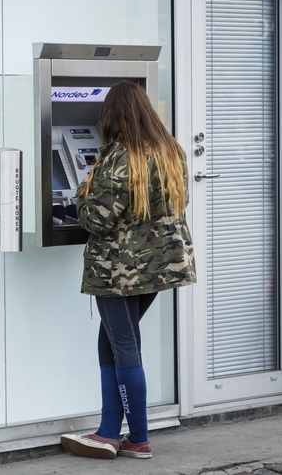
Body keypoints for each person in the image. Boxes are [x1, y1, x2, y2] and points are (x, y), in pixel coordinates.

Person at [60, 81, 196, 460]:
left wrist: (81, 191)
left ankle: (133, 438)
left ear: (112, 115)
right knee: (115, 342)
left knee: (123, 345)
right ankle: (109, 431)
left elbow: (97, 220)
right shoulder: (172, 151)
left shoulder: (120, 157)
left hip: (120, 269)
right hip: (159, 266)